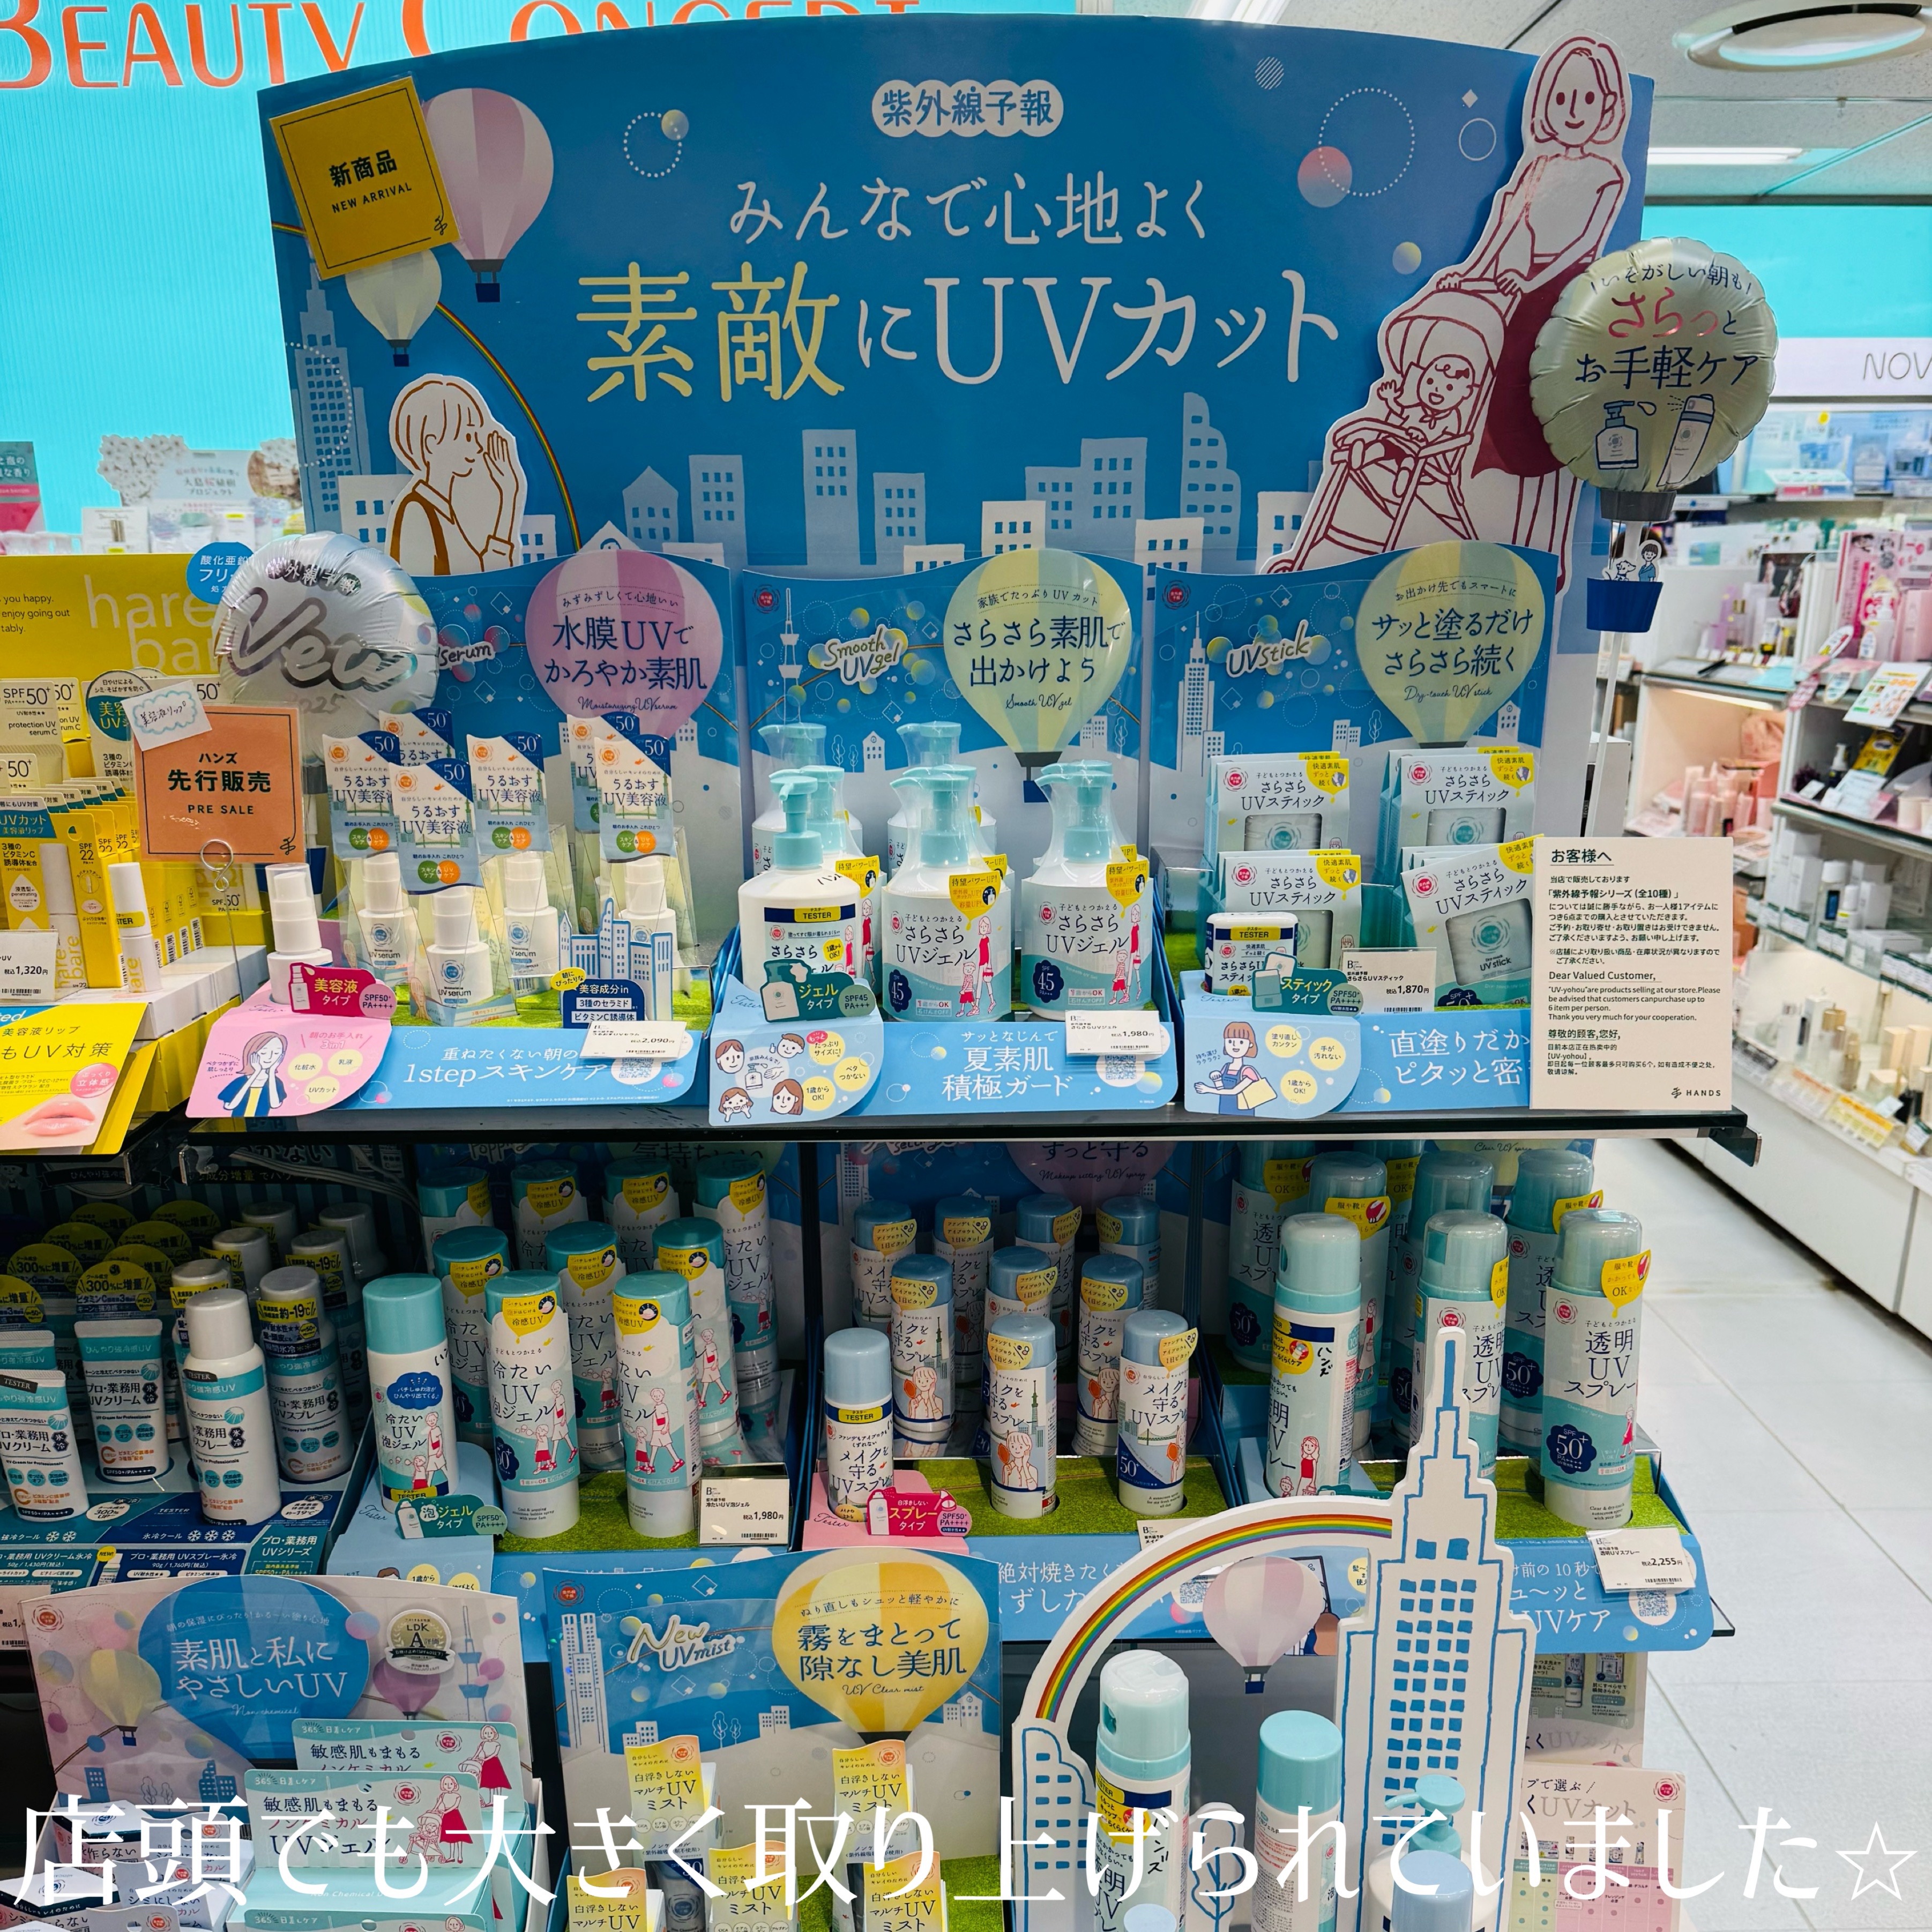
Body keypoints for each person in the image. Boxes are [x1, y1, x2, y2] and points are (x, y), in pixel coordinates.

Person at [387, 376, 526, 577]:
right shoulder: (417, 511)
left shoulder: (443, 510)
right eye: (468, 436)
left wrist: (509, 493)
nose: (478, 447)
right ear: (431, 444)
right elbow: (419, 590)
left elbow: (488, 575)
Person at [219, 1033, 287, 1117]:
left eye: (276, 1053)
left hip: (263, 1123)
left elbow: (275, 1105)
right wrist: (256, 1073)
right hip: (240, 1123)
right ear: (252, 1053)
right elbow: (230, 1106)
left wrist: (272, 1072)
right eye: (264, 1053)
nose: (270, 1057)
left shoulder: (276, 1082)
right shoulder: (240, 1081)